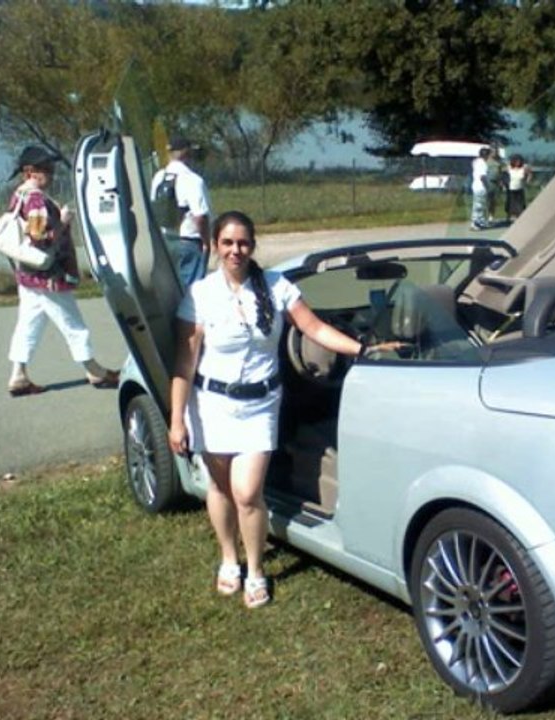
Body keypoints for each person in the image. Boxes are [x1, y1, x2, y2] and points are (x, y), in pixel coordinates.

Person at [168, 211, 398, 609]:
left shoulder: (276, 286)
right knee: (220, 487)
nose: (235, 250)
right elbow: (184, 363)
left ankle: (256, 570)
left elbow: (315, 329)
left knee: (247, 492)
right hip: (211, 404)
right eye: (227, 243)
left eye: (242, 243)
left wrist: (362, 349)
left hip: (260, 404)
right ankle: (229, 559)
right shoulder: (200, 294)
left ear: (253, 246)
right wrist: (176, 420)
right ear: (215, 247)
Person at [5, 145, 119, 397]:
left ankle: (18, 375)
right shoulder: (35, 198)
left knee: (28, 324)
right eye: (46, 169)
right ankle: (94, 370)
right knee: (73, 323)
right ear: (29, 172)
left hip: (28, 274)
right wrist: (64, 222)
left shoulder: (19, 195)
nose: (52, 173)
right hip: (47, 275)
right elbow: (38, 236)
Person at [150, 135, 211, 286]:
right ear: (187, 153)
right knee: (192, 292)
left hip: (166, 241)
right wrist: (206, 242)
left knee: (173, 290)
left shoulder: (158, 177)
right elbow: (200, 216)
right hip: (189, 241)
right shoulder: (192, 180)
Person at [504, 153, 533, 222]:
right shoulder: (509, 168)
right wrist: (504, 184)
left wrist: (527, 181)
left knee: (520, 203)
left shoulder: (524, 168)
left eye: (519, 161)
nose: (518, 162)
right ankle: (510, 216)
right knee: (511, 203)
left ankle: (519, 216)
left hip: (520, 188)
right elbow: (504, 174)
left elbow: (530, 174)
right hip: (511, 188)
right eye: (516, 161)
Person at [469, 146, 490, 230]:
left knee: (479, 204)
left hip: (475, 185)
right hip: (481, 186)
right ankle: (475, 223)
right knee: (479, 205)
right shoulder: (483, 163)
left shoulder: (476, 162)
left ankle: (480, 221)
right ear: (486, 155)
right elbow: (483, 176)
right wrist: (487, 185)